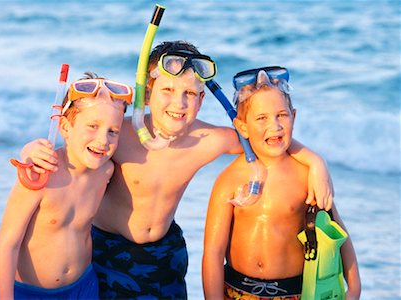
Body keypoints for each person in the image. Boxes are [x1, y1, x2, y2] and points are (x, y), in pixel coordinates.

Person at [20, 41, 334, 299]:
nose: (179, 103)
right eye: (168, 91)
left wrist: (315, 161)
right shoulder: (121, 135)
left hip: (164, 255)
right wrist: (32, 149)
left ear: (200, 99)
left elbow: (268, 139)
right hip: (108, 253)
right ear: (147, 93)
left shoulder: (207, 139)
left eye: (189, 95)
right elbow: (76, 146)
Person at [202, 67, 361, 299]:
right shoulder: (229, 180)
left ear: (293, 117)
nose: (275, 126)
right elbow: (213, 252)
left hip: (295, 293)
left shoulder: (306, 176)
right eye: (262, 118)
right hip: (237, 291)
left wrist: (354, 287)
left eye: (281, 115)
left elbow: (337, 231)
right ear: (242, 126)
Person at [0, 72, 132, 299]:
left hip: (85, 286)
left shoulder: (106, 171)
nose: (103, 140)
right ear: (65, 128)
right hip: (33, 293)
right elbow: (7, 245)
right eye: (92, 126)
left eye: (112, 131)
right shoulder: (39, 177)